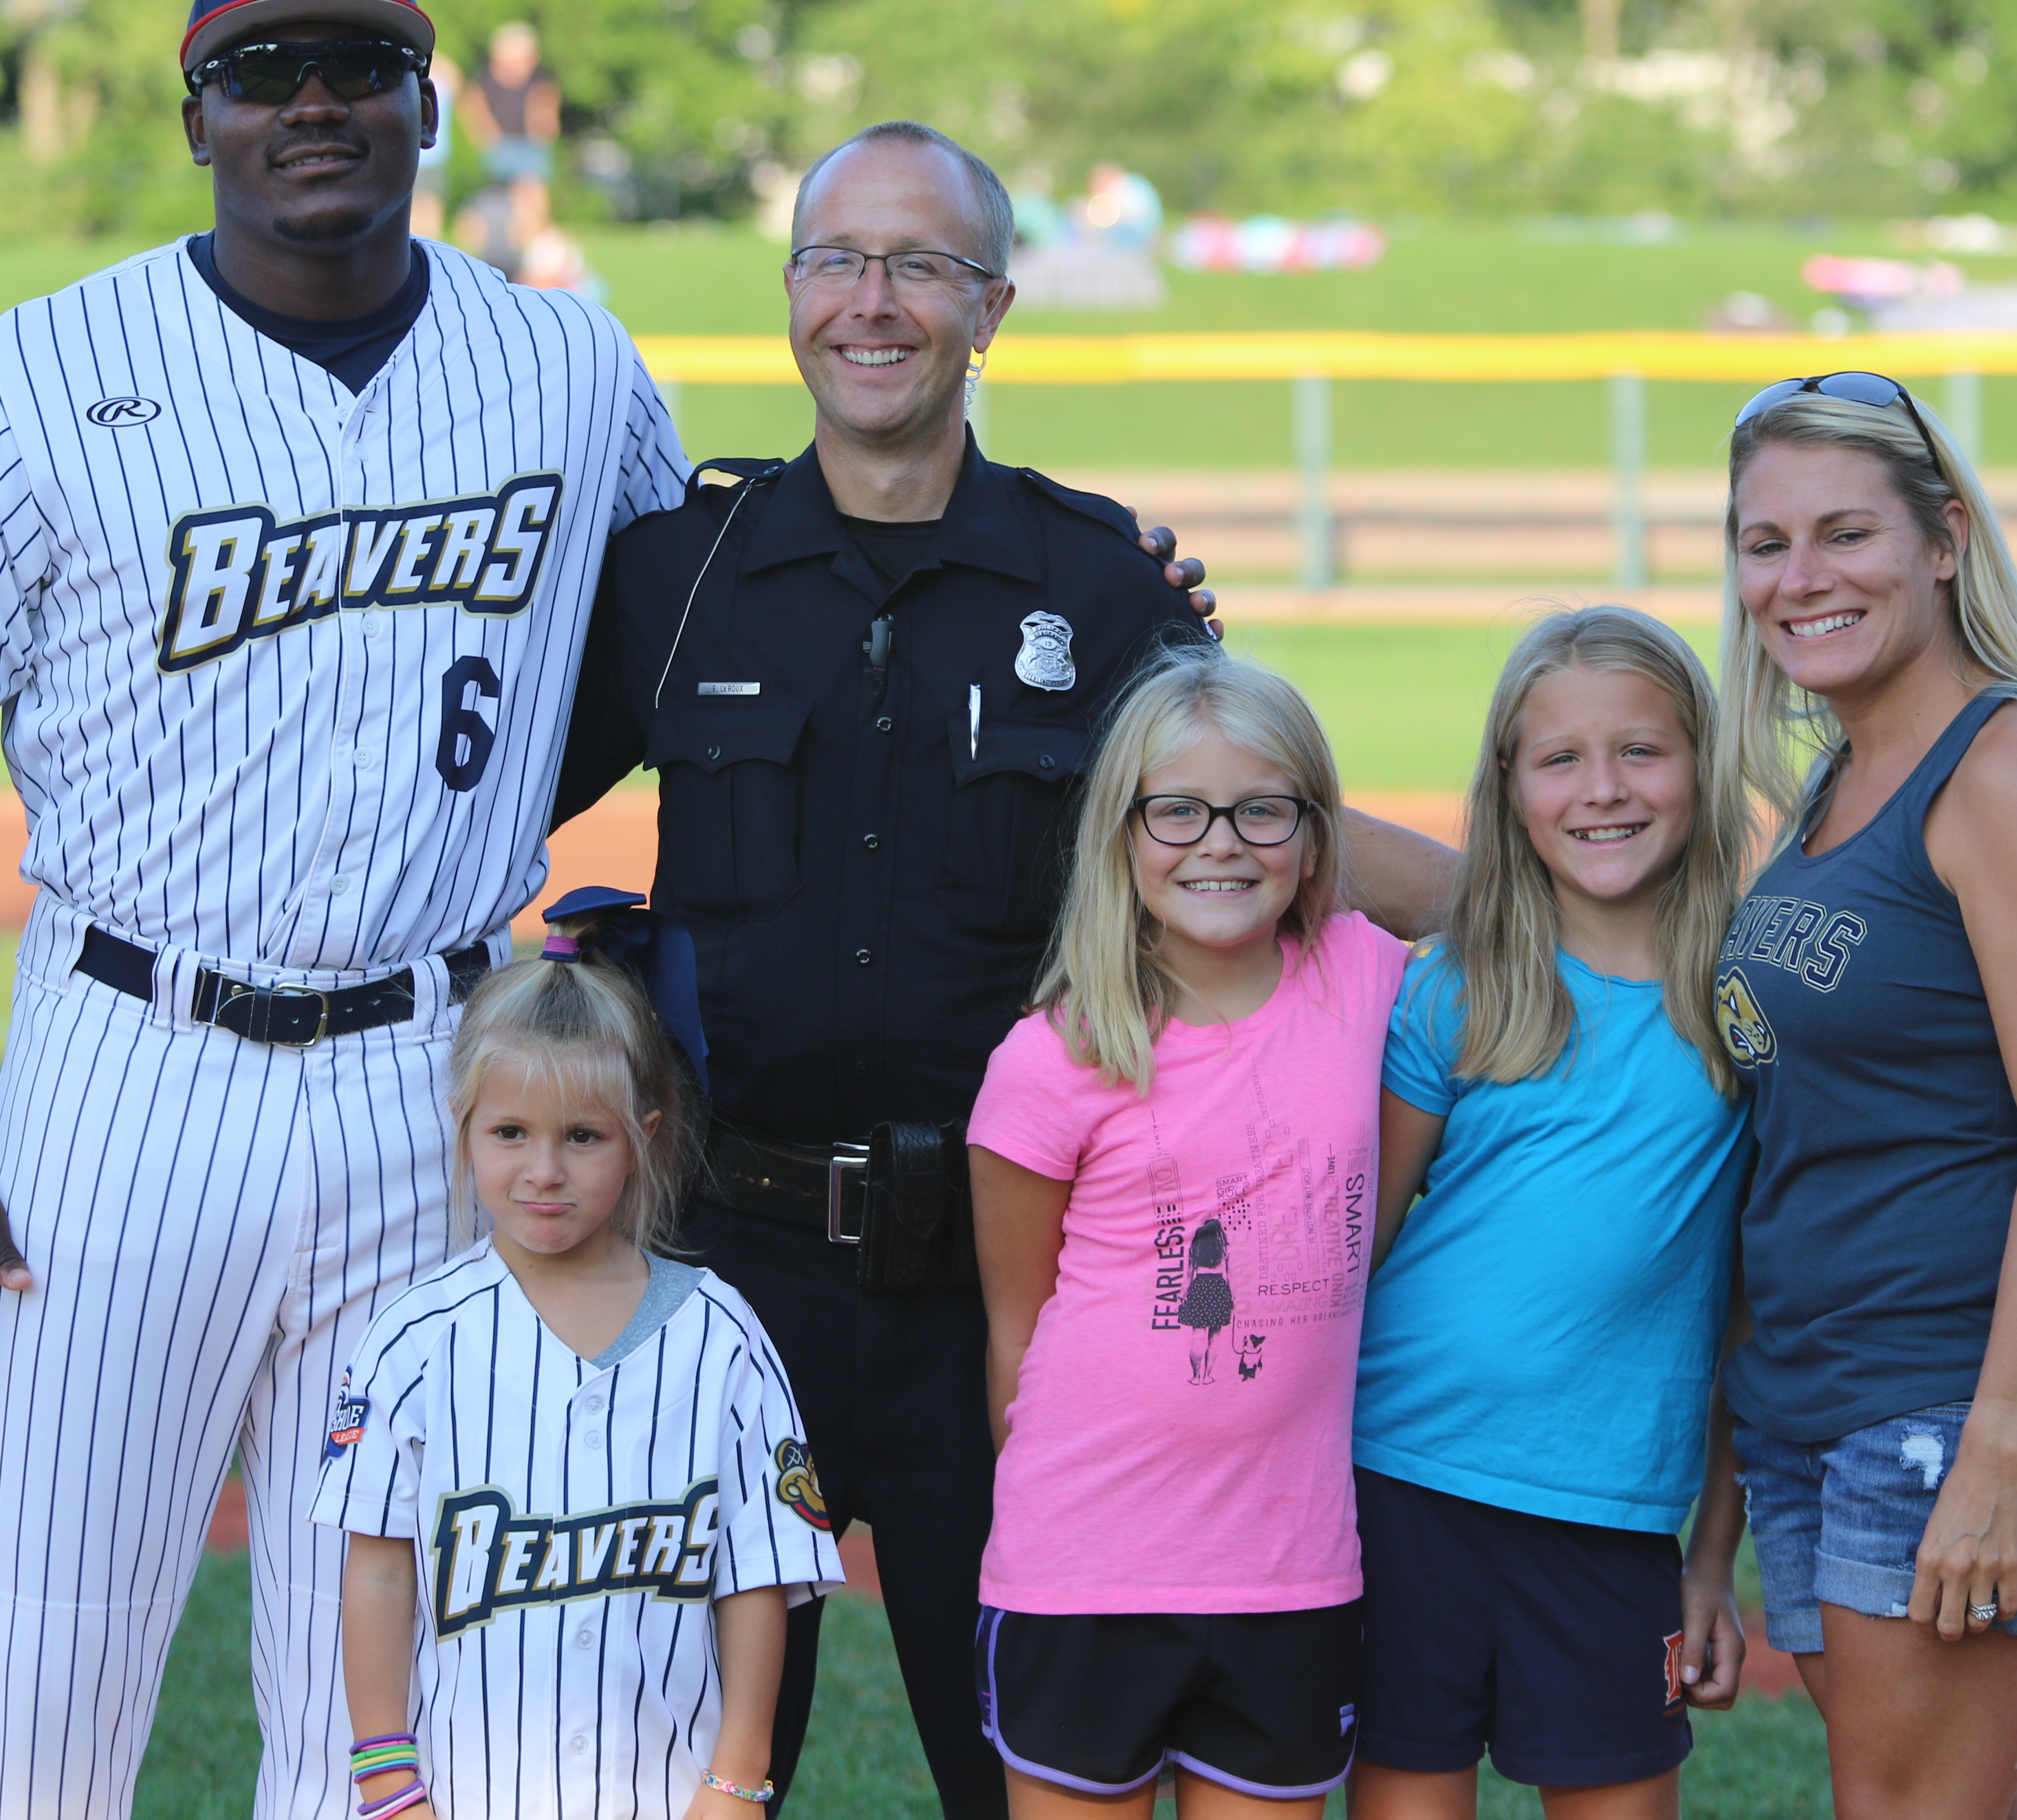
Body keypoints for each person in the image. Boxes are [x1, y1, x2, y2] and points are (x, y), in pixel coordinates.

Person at [0, 0, 689, 1820]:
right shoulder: (36, 376)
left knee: (382, 1711)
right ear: (198, 114)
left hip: (439, 1074)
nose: (316, 103)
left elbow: (667, 640)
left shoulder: (564, 367)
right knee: (48, 1688)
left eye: (359, 65)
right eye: (264, 71)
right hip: (132, 1069)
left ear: (428, 101)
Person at [548, 119, 1455, 1817]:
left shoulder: (1101, 586)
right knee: (685, 1769)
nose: (871, 302)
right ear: (792, 293)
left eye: (923, 267)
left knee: (1019, 1775)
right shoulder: (682, 575)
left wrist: (1542, 909)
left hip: (1012, 1298)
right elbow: (488, 810)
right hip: (733, 1283)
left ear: (996, 308)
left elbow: (1258, 819)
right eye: (836, 261)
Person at [1712, 373, 2017, 1820]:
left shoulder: (2008, 769)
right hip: (1815, 1384)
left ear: (1947, 537)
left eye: (1847, 533)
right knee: (1957, 1798)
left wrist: (2000, 1448)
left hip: (1946, 1392)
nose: (1800, 578)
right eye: (1765, 542)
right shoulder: (1839, 774)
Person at [966, 649, 1407, 1817]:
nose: (1221, 843)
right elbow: (1017, 1334)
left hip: (1290, 1570)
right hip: (1086, 1571)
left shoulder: (1366, 979)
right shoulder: (1054, 1057)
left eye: (1264, 810)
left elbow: (1504, 904)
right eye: (1178, 811)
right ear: (1121, 835)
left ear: (1316, 834)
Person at [1350, 607, 1753, 1820]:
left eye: (1642, 750)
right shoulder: (1461, 988)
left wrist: (1714, 1560)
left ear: (1701, 767)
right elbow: (1352, 1247)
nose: (1603, 790)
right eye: (1560, 758)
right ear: (1511, 786)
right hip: (1398, 1481)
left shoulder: (1746, 1012)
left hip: (1611, 1517)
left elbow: (1754, 1313)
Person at [323, 899, 844, 1820]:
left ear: (643, 1135)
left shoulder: (722, 1338)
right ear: (464, 1127)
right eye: (510, 1131)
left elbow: (758, 1579)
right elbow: (377, 1569)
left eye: (583, 1136)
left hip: (672, 1790)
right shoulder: (411, 1342)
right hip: (467, 1789)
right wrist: (386, 1774)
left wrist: (739, 1777)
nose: (544, 1170)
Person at [462, 22, 562, 254]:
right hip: (499, 146)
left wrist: (545, 123)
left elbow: (548, 100)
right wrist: (483, 130)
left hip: (529, 144)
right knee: (496, 202)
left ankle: (531, 249)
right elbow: (472, 101)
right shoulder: (486, 77)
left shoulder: (538, 78)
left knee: (533, 200)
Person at [412, 53, 463, 243]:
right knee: (429, 203)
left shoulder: (421, 82)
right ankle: (429, 242)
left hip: (429, 154)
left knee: (423, 203)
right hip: (434, 153)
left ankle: (424, 241)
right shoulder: (441, 83)